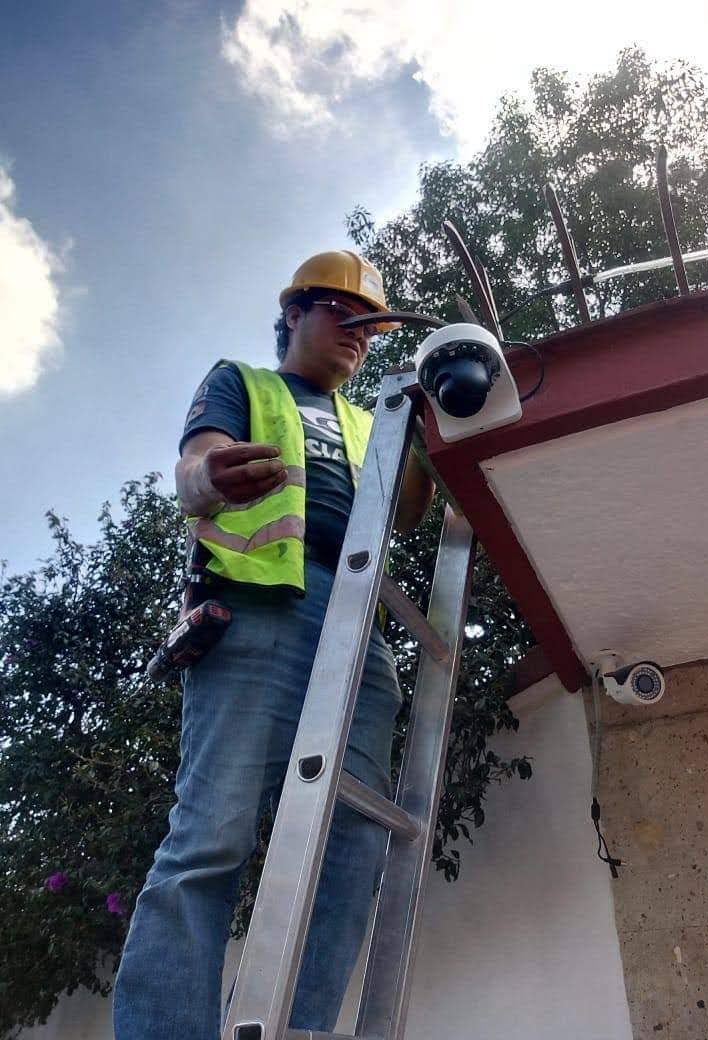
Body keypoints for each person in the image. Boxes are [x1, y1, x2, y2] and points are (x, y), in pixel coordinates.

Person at [113, 251, 434, 1040]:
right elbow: (194, 465)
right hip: (258, 608)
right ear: (294, 312)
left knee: (355, 838)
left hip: (357, 621)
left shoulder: (377, 421)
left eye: (372, 325)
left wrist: (434, 416)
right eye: (344, 313)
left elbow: (414, 511)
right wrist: (207, 477)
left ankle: (294, 1027)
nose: (360, 334)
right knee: (213, 833)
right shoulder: (244, 383)